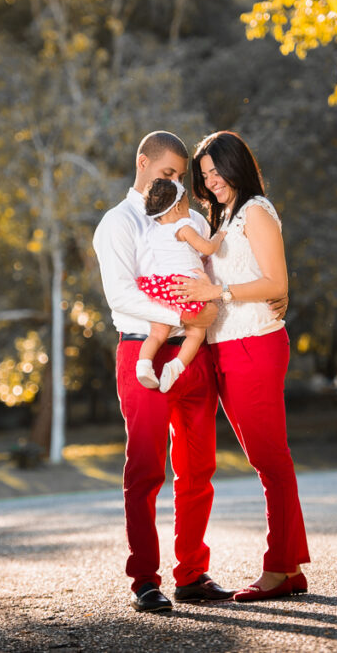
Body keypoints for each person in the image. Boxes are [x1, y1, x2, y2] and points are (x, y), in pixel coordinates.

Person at [92, 131, 235, 613]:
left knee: (199, 469)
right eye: (167, 174)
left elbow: (209, 276)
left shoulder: (192, 216)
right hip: (144, 354)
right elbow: (122, 296)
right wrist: (184, 318)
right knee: (146, 468)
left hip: (194, 356)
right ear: (142, 163)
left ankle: (191, 573)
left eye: (181, 176)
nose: (175, 184)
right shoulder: (118, 222)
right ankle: (145, 581)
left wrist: (209, 314)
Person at [173, 130, 310, 602]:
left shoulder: (255, 211)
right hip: (226, 348)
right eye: (205, 175)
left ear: (238, 166)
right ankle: (289, 568)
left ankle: (279, 567)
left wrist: (219, 293)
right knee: (263, 458)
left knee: (271, 458)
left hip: (255, 344)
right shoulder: (225, 216)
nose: (211, 182)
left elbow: (275, 282)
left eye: (217, 171)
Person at [135, 178, 226, 393]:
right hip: (187, 288)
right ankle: (176, 367)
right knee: (196, 333)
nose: (189, 211)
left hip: (165, 289)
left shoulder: (153, 231)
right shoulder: (183, 227)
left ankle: (144, 364)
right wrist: (219, 236)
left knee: (157, 333)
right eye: (187, 205)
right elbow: (207, 248)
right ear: (177, 207)